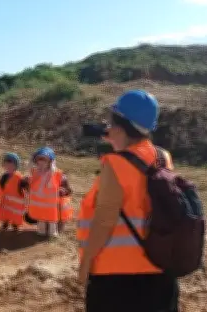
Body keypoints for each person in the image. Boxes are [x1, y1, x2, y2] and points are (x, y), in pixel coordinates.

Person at [77, 89, 180, 312]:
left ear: (120, 126)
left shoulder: (115, 165)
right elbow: (138, 166)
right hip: (160, 270)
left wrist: (85, 264)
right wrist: (120, 140)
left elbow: (104, 220)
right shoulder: (163, 158)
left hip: (118, 278)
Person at [24, 147, 73, 238]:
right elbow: (29, 186)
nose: (41, 162)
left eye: (44, 160)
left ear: (50, 161)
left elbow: (68, 189)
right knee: (41, 219)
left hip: (54, 206)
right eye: (39, 160)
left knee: (52, 219)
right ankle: (41, 230)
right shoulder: (34, 173)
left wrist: (63, 190)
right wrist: (26, 183)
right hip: (39, 205)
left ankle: (53, 232)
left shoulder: (58, 174)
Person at [0, 153, 26, 232]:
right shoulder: (4, 177)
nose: (8, 167)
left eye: (11, 165)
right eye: (6, 165)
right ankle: (5, 224)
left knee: (15, 214)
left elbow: (24, 187)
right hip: (6, 200)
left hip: (16, 201)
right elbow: (0, 188)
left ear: (16, 166)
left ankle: (15, 226)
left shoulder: (19, 177)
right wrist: (1, 196)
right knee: (5, 213)